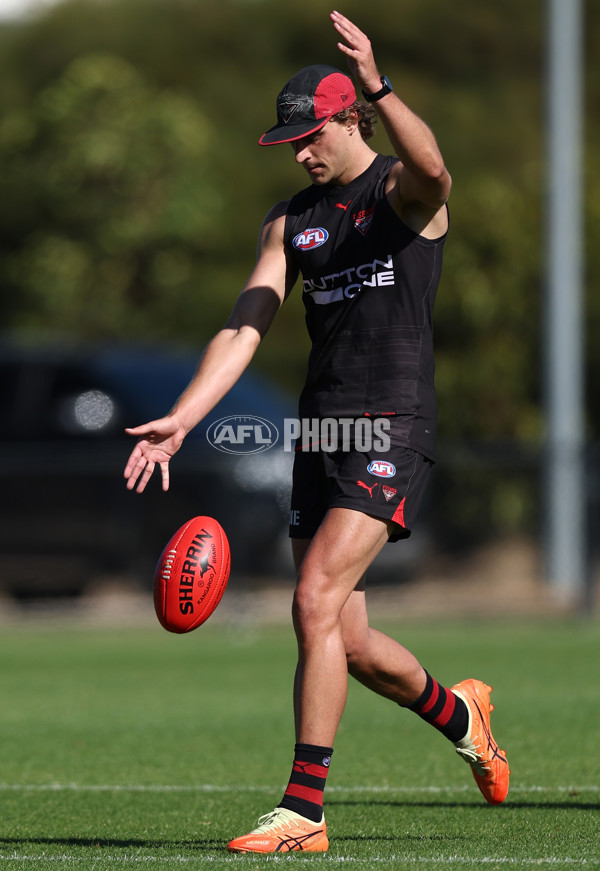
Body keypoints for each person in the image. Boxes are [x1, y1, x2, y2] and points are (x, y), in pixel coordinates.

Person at [124, 10, 510, 854]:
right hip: (323, 430)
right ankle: (464, 713)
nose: (301, 152)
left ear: (349, 120)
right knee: (354, 639)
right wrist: (184, 419)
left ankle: (304, 808)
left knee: (313, 602)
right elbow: (246, 323)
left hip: (393, 422)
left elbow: (437, 167)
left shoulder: (403, 197)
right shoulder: (289, 219)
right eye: (290, 141)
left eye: (311, 136)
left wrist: (381, 79)